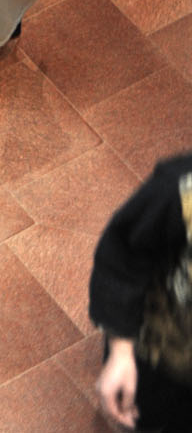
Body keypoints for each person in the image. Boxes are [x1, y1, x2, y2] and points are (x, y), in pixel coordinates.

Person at [91, 152, 192, 431]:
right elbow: (121, 259)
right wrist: (121, 351)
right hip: (160, 357)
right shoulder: (181, 191)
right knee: (147, 416)